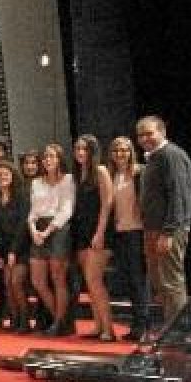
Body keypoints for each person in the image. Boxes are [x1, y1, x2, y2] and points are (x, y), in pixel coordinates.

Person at [136, 115, 191, 326]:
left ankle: (177, 332)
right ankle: (169, 329)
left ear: (162, 132)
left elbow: (179, 195)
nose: (144, 138)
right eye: (141, 135)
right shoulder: (154, 157)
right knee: (160, 282)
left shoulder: (172, 156)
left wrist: (169, 231)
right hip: (153, 229)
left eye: (149, 133)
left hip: (168, 230)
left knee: (171, 282)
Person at [70, 135, 116, 341]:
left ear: (93, 151)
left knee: (94, 279)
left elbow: (107, 204)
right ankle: (98, 327)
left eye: (85, 149)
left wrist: (100, 232)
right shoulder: (78, 174)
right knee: (89, 282)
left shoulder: (101, 171)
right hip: (81, 231)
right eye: (78, 149)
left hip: (98, 231)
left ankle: (109, 329)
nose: (80, 153)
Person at [27, 144, 76, 336]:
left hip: (58, 228)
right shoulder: (36, 182)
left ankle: (58, 323)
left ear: (59, 159)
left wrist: (47, 231)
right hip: (37, 228)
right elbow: (33, 211)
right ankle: (60, 319)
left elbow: (67, 210)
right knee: (38, 280)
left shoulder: (68, 180)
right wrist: (33, 229)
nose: (48, 160)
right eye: (45, 157)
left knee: (58, 278)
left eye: (52, 156)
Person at [107, 136, 149, 341]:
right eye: (116, 151)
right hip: (119, 232)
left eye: (124, 150)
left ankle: (143, 327)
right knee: (129, 281)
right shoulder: (112, 175)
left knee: (138, 280)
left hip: (137, 231)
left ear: (131, 151)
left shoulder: (140, 172)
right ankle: (137, 326)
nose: (120, 154)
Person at [0, 162, 30, 333]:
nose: (2, 178)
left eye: (6, 174)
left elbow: (23, 226)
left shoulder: (21, 197)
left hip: (21, 247)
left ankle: (25, 321)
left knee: (16, 283)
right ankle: (14, 320)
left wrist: (13, 251)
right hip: (4, 248)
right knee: (7, 284)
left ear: (13, 176)